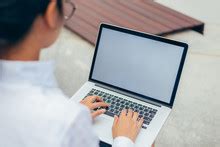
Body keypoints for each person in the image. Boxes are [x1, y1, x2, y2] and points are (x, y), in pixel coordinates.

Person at [0, 0, 151, 147]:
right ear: (52, 13)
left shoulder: (65, 116)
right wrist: (124, 140)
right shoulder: (67, 119)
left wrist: (72, 113)